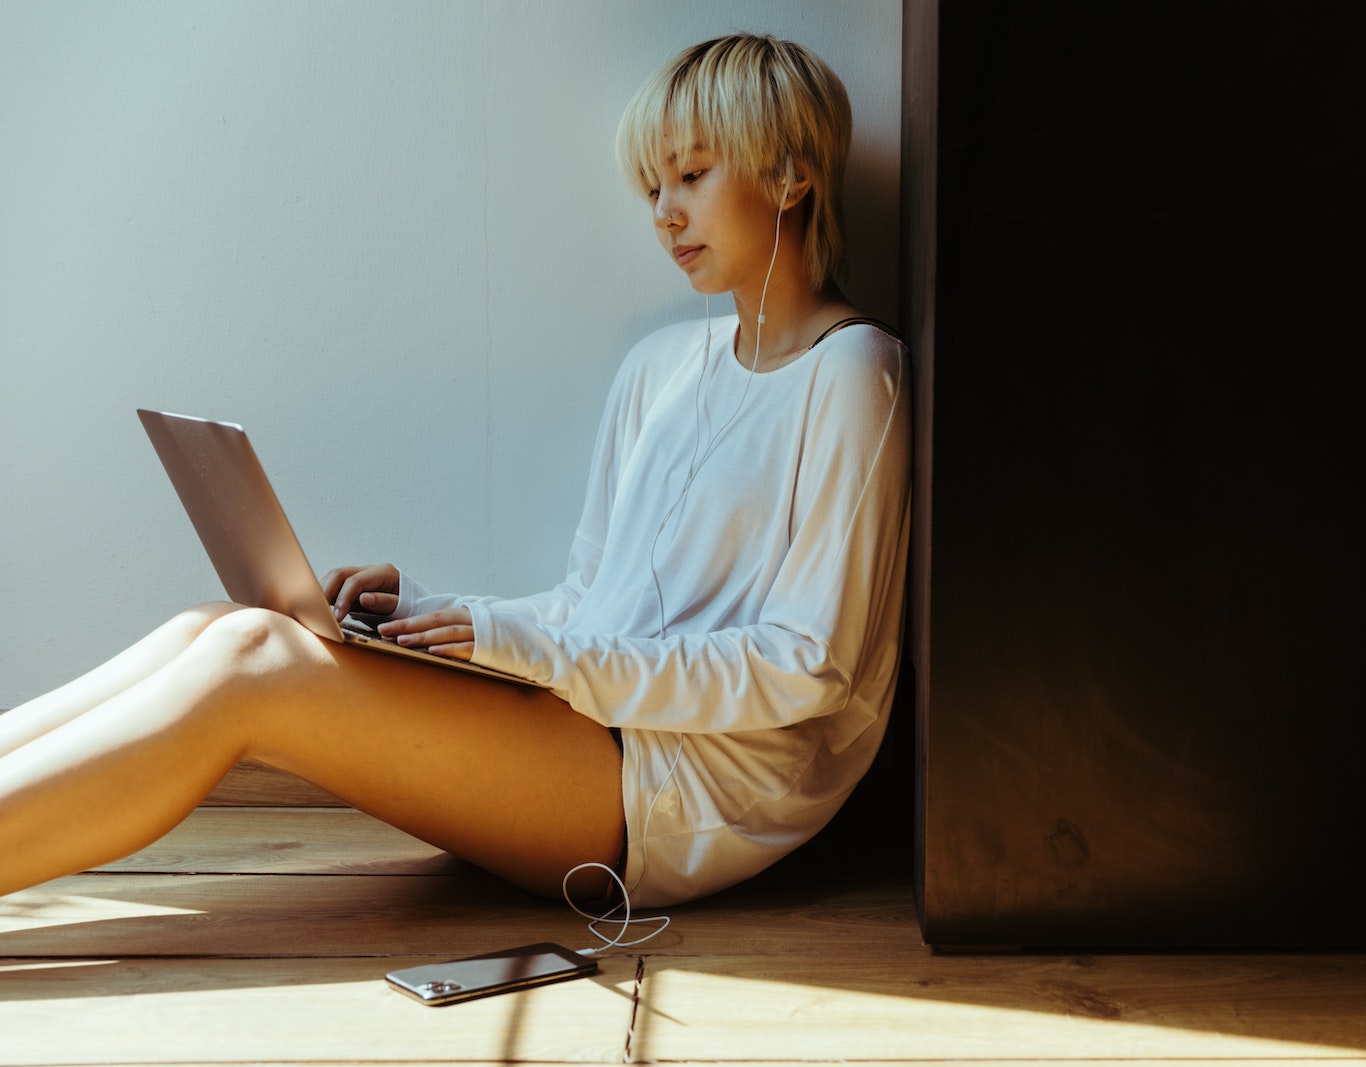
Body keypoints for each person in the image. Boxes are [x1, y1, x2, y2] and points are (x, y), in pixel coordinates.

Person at [0, 33, 911, 911]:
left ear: (791, 173)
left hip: (681, 791)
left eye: (693, 174)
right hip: (584, 725)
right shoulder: (661, 367)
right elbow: (589, 599)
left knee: (250, 660)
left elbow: (807, 668)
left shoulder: (853, 371)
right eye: (654, 185)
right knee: (232, 622)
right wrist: (444, 618)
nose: (665, 211)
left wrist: (536, 654)